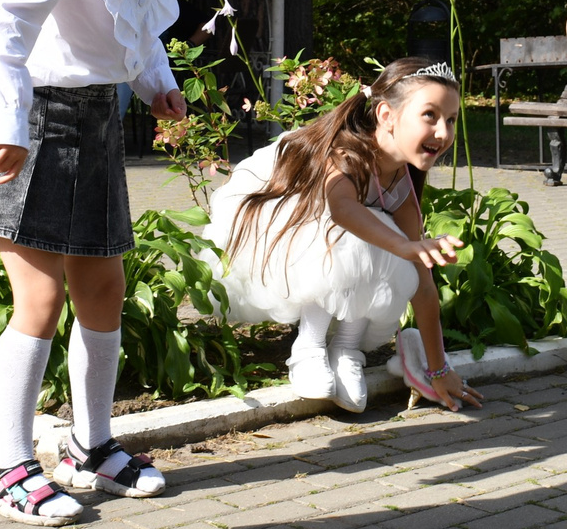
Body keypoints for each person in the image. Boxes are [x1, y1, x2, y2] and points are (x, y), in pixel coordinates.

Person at [0, 0, 196, 523]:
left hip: (96, 120)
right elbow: (1, 23)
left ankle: (90, 446)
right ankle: (5, 465)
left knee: (102, 291)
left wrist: (157, 85)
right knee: (36, 300)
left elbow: (132, 30)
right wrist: (3, 121)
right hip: (30, 126)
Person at [207, 60, 483, 414]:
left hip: (329, 229)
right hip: (271, 216)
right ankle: (309, 346)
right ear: (386, 114)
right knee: (360, 232)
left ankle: (346, 348)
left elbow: (424, 287)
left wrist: (439, 369)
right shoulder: (346, 153)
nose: (443, 133)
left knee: (389, 248)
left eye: (451, 119)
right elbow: (341, 209)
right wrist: (405, 245)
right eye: (429, 115)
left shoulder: (402, 189)